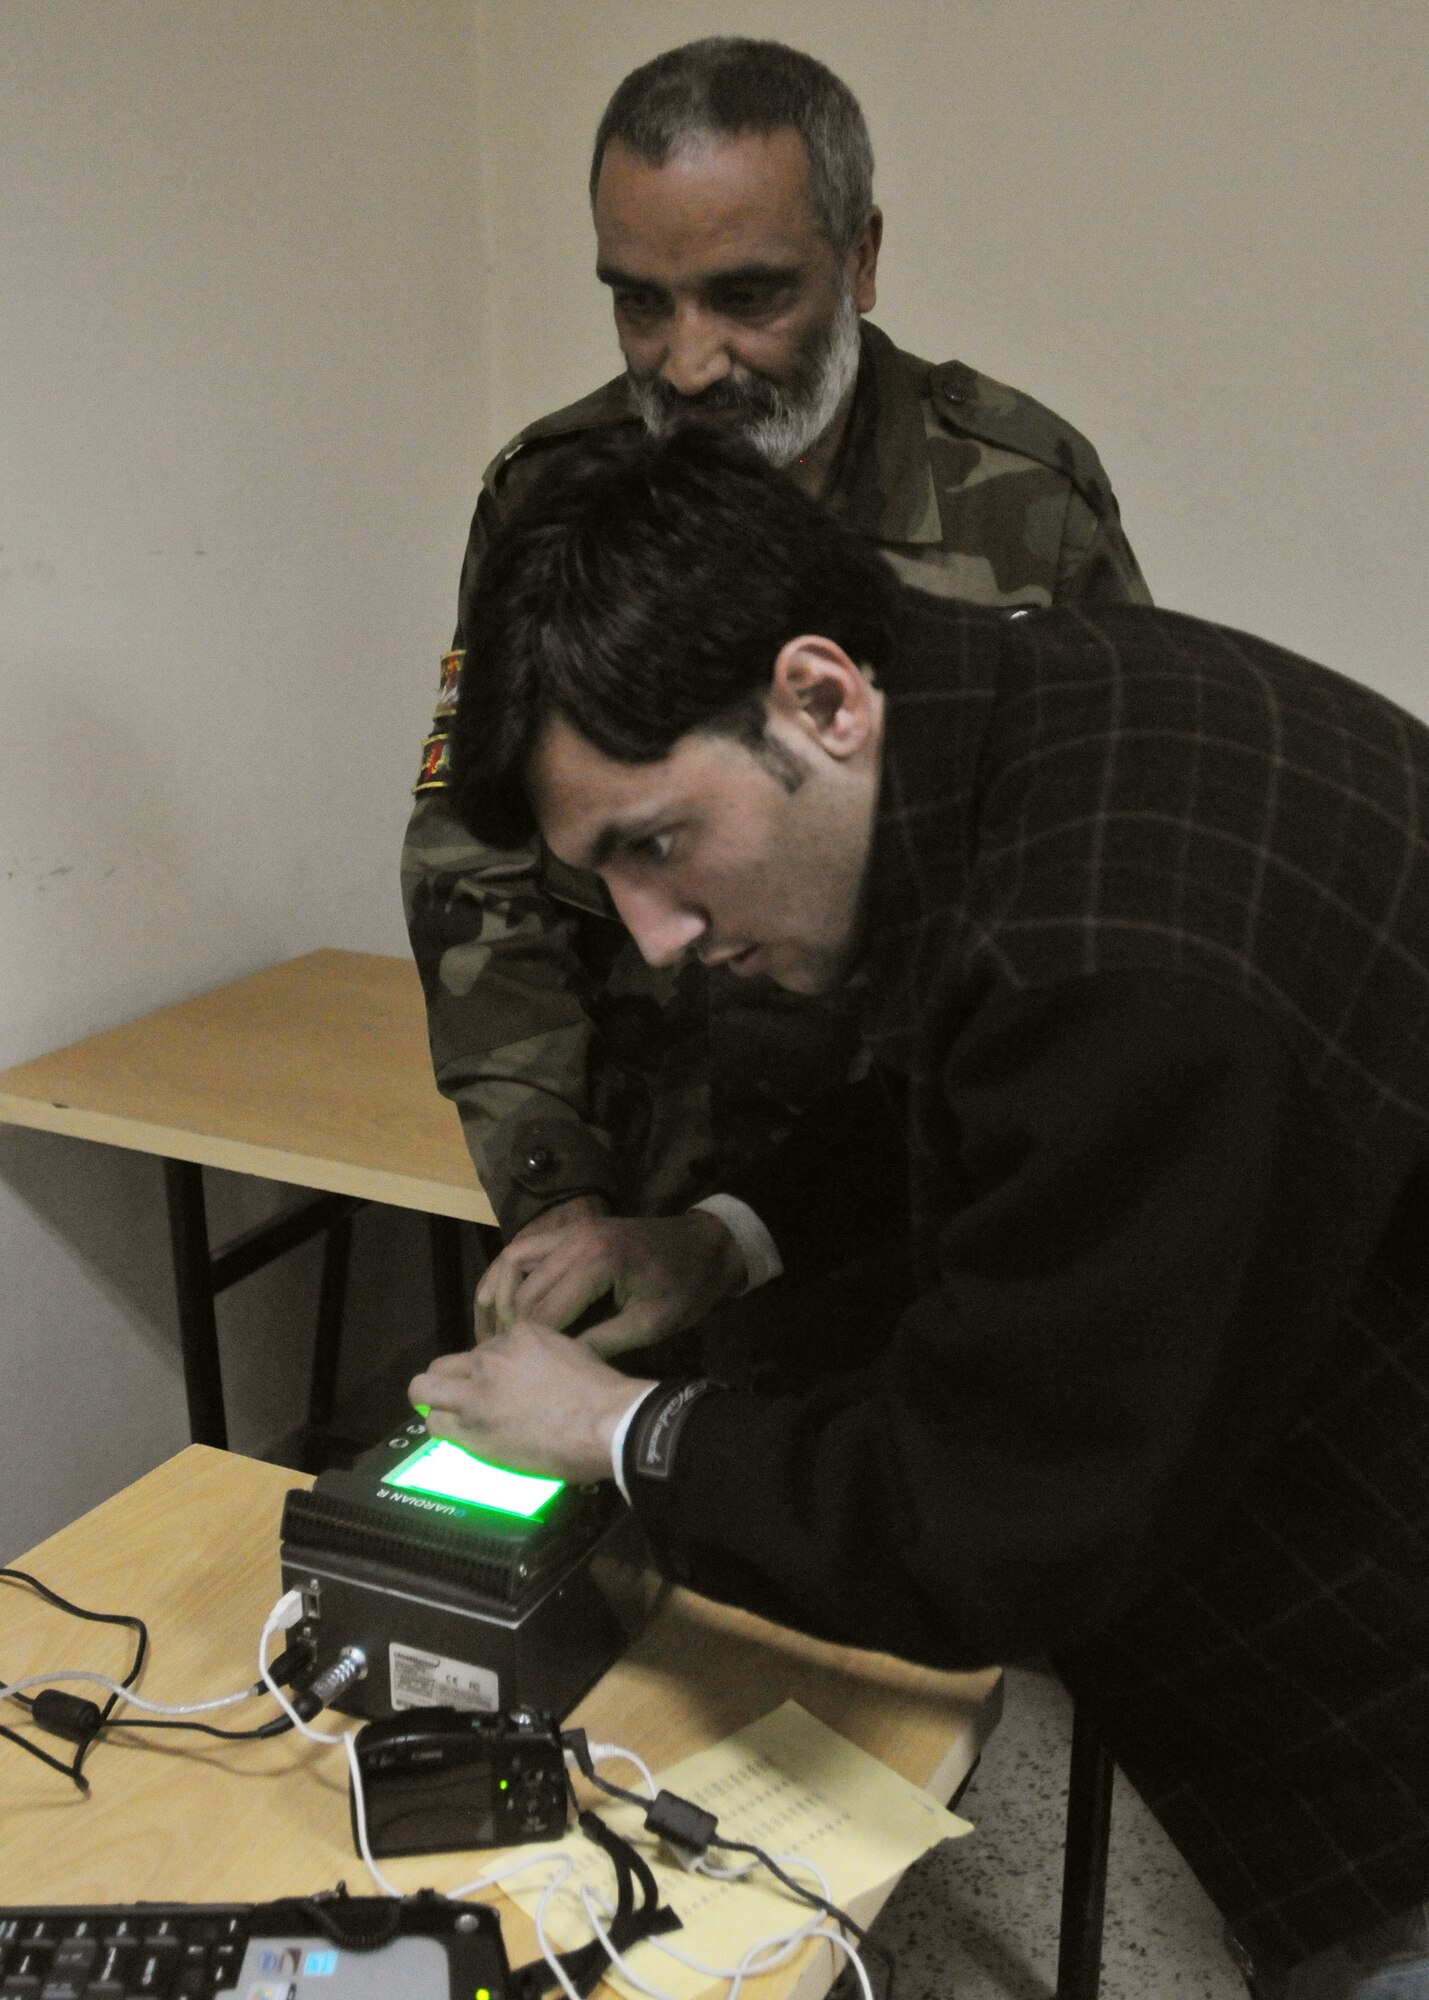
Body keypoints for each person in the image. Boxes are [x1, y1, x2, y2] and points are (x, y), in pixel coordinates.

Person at [410, 428, 1429, 1999]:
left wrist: (620, 1433)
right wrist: (717, 1235)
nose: (658, 937)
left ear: (820, 697)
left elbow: (993, 1522)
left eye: (657, 848)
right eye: (599, 881)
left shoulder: (1122, 969)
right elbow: (956, 1091)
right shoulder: (1023, 717)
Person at [402, 36, 1151, 1349]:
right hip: (650, 1197)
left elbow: (1112, 877)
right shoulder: (552, 495)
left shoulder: (1018, 497)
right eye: (640, 302)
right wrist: (548, 1191)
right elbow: (480, 860)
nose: (689, 363)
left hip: (936, 1197)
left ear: (859, 259)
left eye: (747, 296)